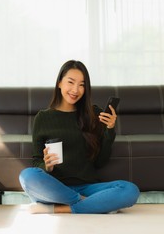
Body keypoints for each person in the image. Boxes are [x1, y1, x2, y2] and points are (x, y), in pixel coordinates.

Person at [19, 60, 140, 214]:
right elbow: (37, 162)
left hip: (88, 187)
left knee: (130, 190)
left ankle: (61, 208)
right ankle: (90, 204)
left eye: (82, 85)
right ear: (59, 83)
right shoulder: (42, 118)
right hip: (55, 188)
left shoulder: (93, 114)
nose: (76, 90)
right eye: (71, 82)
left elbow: (100, 162)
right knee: (27, 175)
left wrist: (109, 130)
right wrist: (47, 166)